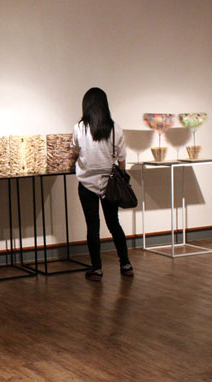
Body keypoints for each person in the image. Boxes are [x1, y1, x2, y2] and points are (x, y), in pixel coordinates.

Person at [71, 87, 134, 281]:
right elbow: (122, 158)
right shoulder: (115, 129)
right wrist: (122, 174)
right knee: (114, 223)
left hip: (86, 183)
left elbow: (75, 150)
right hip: (109, 184)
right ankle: (126, 264)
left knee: (93, 226)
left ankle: (97, 269)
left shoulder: (79, 128)